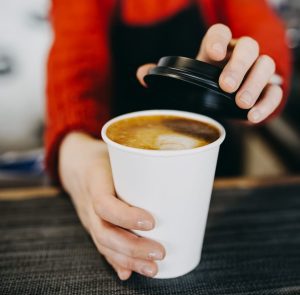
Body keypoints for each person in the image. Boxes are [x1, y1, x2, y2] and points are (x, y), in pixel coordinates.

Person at [45, 0, 291, 280]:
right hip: (118, 169)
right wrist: (76, 150)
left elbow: (261, 28)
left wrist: (254, 78)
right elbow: (75, 64)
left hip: (219, 174)